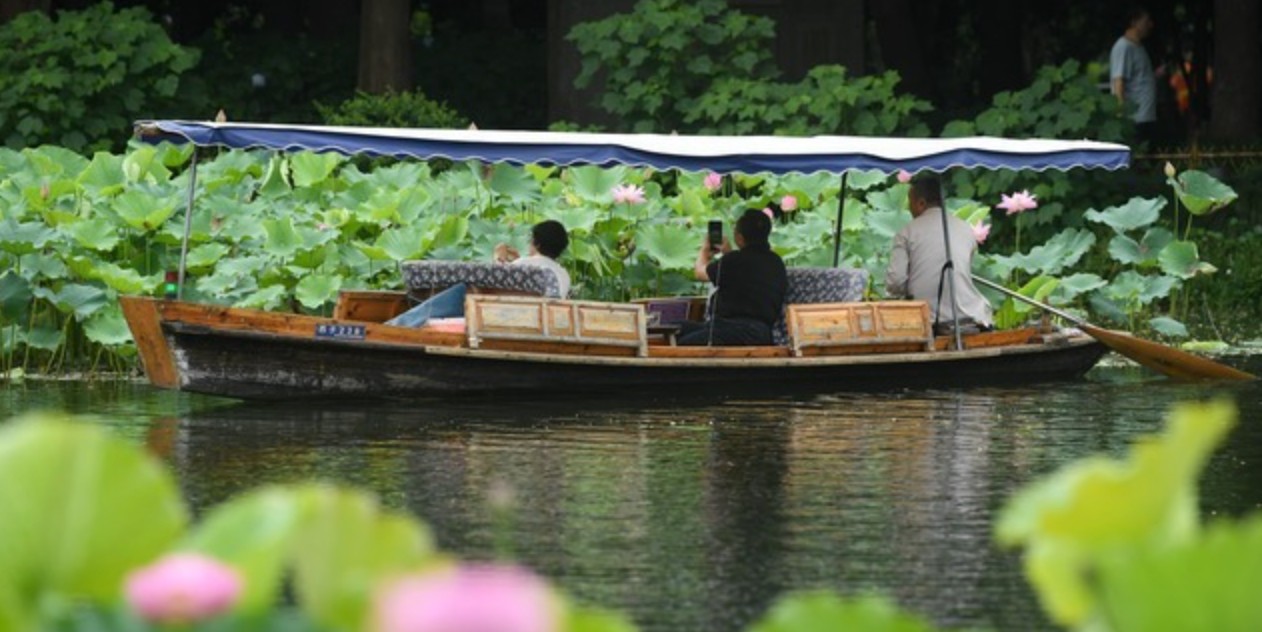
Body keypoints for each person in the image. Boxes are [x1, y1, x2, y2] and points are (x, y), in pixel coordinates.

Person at [387, 220, 570, 327]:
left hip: (499, 321)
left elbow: (493, 282)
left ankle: (401, 325)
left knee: (462, 291)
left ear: (536, 243)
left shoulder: (524, 265)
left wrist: (498, 257)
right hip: (537, 323)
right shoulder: (562, 275)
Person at [884, 175, 993, 331]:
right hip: (975, 317)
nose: (909, 208)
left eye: (910, 203)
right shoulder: (965, 229)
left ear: (921, 203)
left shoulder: (906, 233)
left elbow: (895, 282)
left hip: (930, 322)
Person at [677, 208, 787, 346]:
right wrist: (727, 252)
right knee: (676, 328)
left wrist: (704, 251)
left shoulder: (733, 260)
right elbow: (745, 271)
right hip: (760, 333)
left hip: (734, 331)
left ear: (739, 237)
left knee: (681, 342)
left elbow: (700, 273)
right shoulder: (776, 262)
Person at [1110, 7, 1158, 143]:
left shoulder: (1139, 47)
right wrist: (1121, 113)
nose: (1150, 25)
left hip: (1145, 115)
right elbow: (1118, 81)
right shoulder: (1123, 47)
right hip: (1135, 118)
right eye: (1146, 21)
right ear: (1134, 22)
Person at [494, 219, 571, 298]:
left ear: (537, 244)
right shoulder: (564, 275)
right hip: (551, 309)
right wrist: (518, 260)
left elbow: (496, 282)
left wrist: (499, 258)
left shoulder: (522, 264)